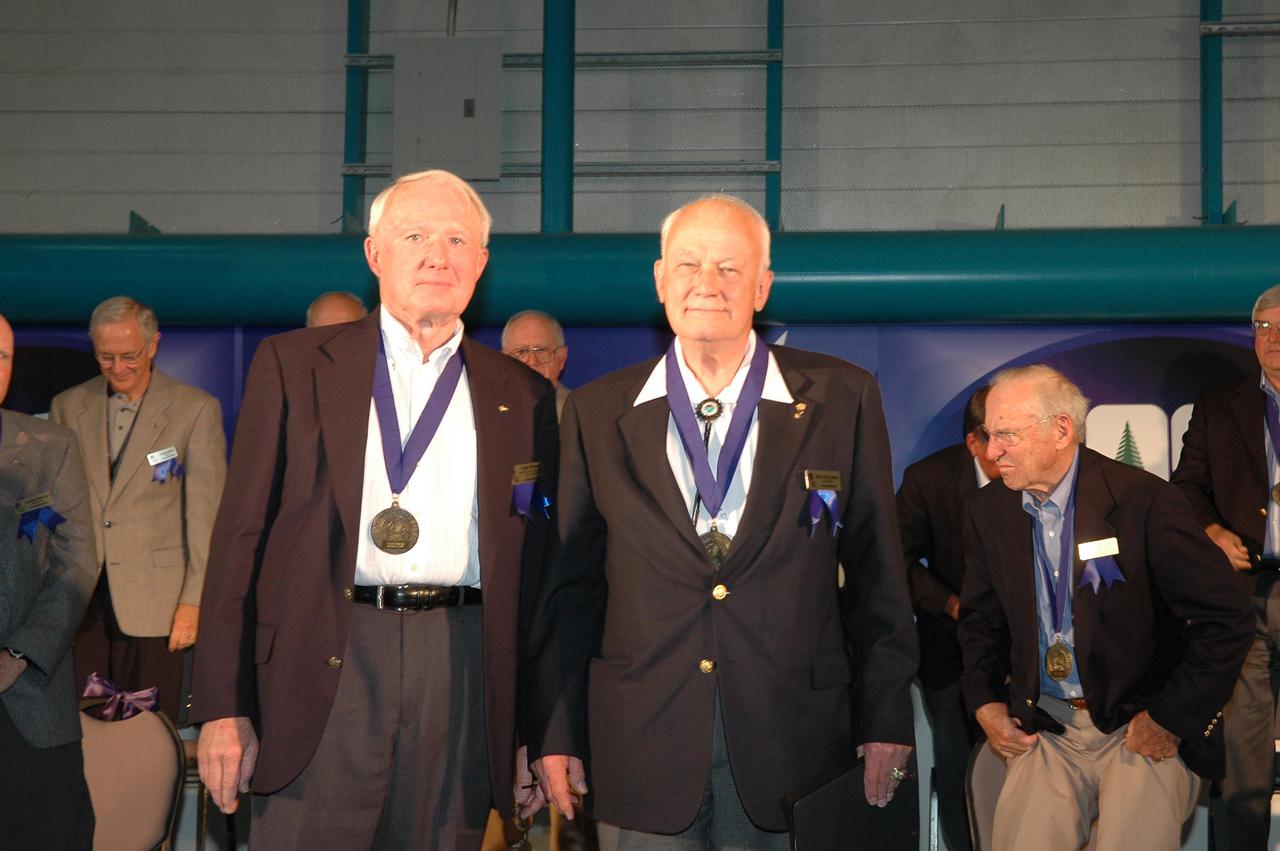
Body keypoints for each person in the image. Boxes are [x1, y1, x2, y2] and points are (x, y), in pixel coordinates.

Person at [525, 195, 918, 848]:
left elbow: (880, 571)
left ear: (762, 287)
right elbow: (571, 590)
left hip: (793, 739)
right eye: (689, 265)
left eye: (730, 269)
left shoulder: (843, 396)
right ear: (659, 281)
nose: (707, 283)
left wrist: (885, 713)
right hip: (640, 742)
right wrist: (558, 728)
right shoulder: (596, 412)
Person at [191, 169, 559, 850]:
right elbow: (237, 543)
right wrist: (222, 704)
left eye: (456, 239)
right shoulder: (292, 365)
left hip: (461, 666)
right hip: (321, 657)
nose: (436, 254)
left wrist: (526, 725)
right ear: (375, 253)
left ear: (480, 264)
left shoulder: (523, 396)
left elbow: (536, 578)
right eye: (414, 235)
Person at [960, 364, 1253, 851]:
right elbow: (980, 621)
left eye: (1007, 435)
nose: (992, 453)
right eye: (990, 436)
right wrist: (986, 703)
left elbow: (1226, 620)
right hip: (1046, 727)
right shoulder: (989, 511)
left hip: (1138, 723)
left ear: (1061, 430)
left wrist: (1170, 718)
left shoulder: (1146, 502)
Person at [51, 296, 226, 722]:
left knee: (152, 730)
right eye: (105, 356)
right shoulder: (68, 406)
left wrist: (195, 602)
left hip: (160, 607)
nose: (118, 367)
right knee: (86, 726)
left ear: (153, 345)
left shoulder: (195, 409)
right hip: (82, 602)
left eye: (129, 355)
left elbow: (206, 519)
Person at [1171, 282, 1280, 850]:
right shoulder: (1219, 405)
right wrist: (1212, 531)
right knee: (1242, 755)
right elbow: (1185, 488)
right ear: (1251, 336)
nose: (1276, 339)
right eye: (1264, 327)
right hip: (1244, 597)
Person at [0, 313, 100, 850]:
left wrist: (18, 655)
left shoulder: (49, 446)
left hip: (29, 698)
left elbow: (77, 559)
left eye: (2, 356)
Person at [896, 387, 998, 851]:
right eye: (1002, 435)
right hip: (951, 654)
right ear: (974, 442)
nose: (1011, 448)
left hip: (1033, 659)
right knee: (960, 771)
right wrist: (950, 603)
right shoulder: (928, 480)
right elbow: (894, 561)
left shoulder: (1045, 475)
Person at [502, 309, 570, 419]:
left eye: (541, 350)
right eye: (521, 352)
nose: (532, 361)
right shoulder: (484, 413)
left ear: (561, 358)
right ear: (503, 361)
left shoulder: (584, 414)